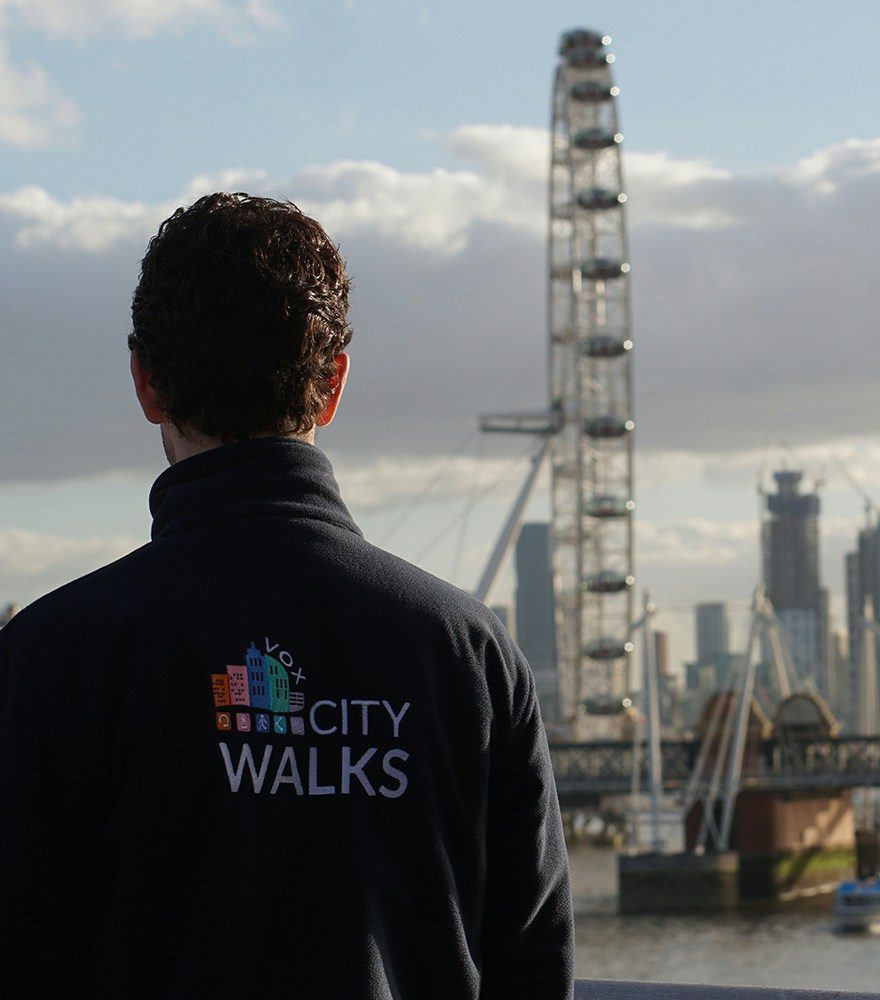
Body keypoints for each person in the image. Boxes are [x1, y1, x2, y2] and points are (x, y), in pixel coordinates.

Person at [0, 193, 574, 998]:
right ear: (333, 383)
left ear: (145, 383)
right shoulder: (471, 655)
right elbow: (532, 971)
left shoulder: (56, 658)